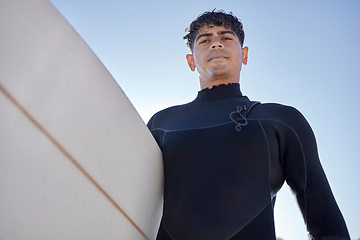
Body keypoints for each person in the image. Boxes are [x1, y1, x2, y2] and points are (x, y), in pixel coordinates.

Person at [147, 10, 350, 240]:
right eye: (205, 40)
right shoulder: (161, 124)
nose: (215, 44)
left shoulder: (281, 120)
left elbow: (326, 224)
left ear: (244, 54)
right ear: (191, 61)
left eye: (226, 38)